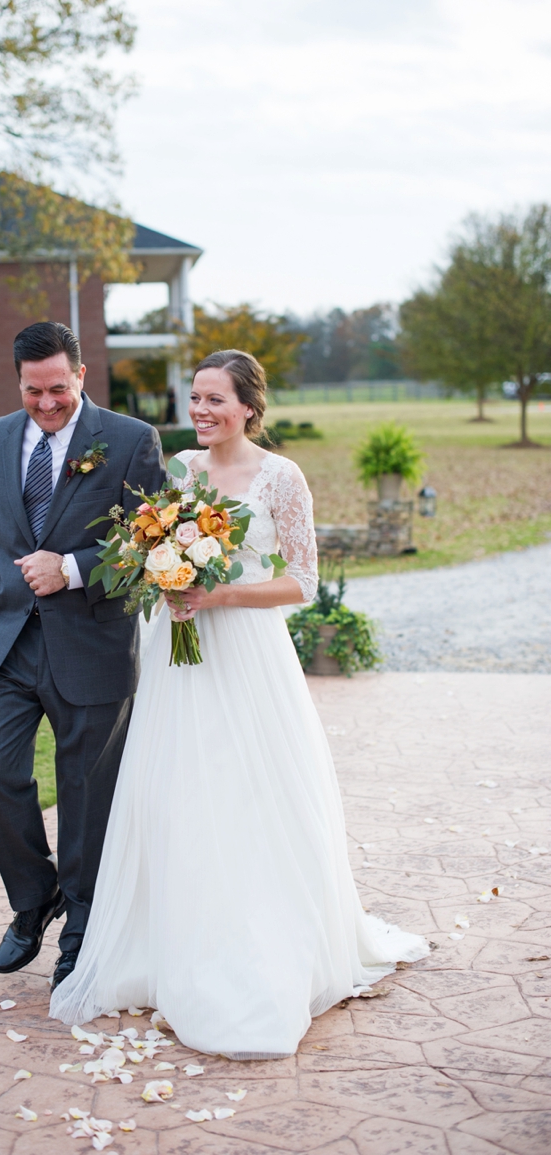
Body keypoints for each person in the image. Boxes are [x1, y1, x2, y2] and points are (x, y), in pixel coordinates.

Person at [50, 348, 429, 1057]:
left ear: (249, 408)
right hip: (178, 652)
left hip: (247, 654)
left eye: (215, 400)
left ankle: (259, 948)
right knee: (178, 791)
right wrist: (162, 576)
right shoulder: (180, 472)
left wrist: (217, 591)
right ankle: (174, 944)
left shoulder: (282, 477)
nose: (200, 411)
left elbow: (303, 580)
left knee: (249, 791)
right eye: (195, 398)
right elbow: (147, 548)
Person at [0, 322, 166, 990]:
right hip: (4, 641)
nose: (45, 403)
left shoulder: (131, 441)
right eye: (32, 390)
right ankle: (32, 897)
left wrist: (71, 567)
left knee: (85, 792)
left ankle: (79, 924)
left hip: (91, 643)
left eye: (57, 389)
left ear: (81, 374)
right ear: (18, 381)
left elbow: (151, 546)